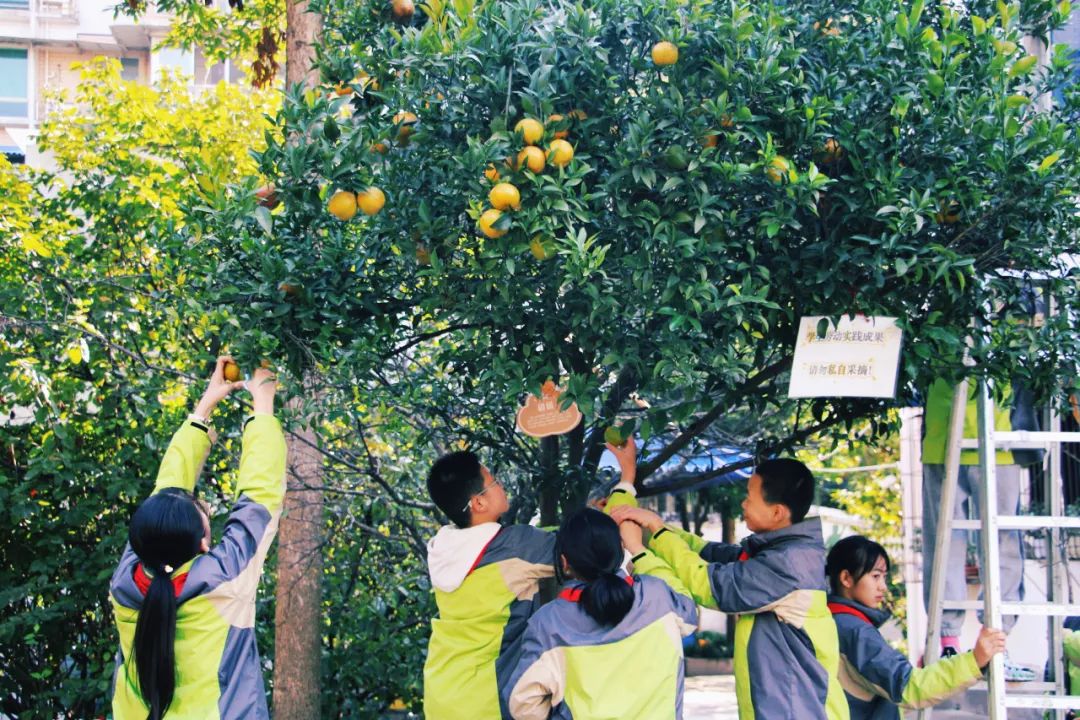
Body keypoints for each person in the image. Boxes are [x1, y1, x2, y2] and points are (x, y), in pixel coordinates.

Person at [109, 357, 285, 719]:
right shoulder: (225, 580)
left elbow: (166, 495)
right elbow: (259, 498)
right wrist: (263, 403)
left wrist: (205, 407)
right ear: (204, 544)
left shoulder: (125, 583)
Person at [613, 458, 849, 720]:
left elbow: (710, 586)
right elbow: (706, 552)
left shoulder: (788, 564)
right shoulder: (777, 554)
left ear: (777, 513)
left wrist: (651, 537)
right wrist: (646, 524)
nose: (743, 503)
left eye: (750, 497)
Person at [423, 439, 639, 719]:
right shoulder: (515, 547)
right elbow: (593, 544)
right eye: (494, 482)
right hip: (487, 702)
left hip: (441, 694)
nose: (501, 485)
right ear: (478, 502)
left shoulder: (443, 547)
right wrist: (627, 478)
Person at [505, 508, 698, 719]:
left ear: (564, 562)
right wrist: (639, 550)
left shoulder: (548, 624)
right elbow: (689, 612)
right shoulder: (656, 596)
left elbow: (522, 704)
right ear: (621, 548)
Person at [921, 378, 1037, 680]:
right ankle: (947, 644)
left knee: (1002, 543)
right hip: (943, 435)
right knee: (946, 543)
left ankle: (996, 645)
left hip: (998, 436)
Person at [826, 535, 1006, 719]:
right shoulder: (856, 631)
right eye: (875, 576)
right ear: (846, 578)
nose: (883, 587)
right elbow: (909, 687)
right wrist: (974, 660)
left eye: (884, 577)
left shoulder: (829, 620)